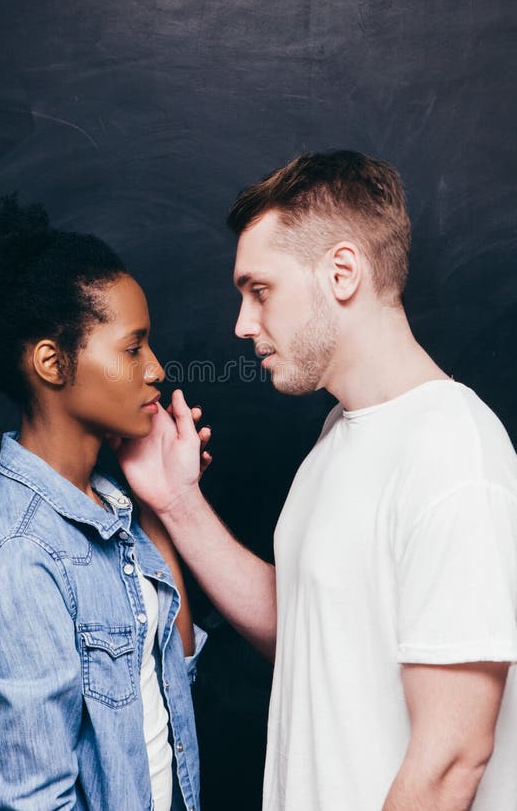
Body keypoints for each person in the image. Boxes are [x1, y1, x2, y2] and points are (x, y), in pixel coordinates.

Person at [115, 151, 517, 810]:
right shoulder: (343, 431)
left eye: (259, 290)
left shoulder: (453, 454)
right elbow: (311, 629)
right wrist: (178, 502)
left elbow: (451, 762)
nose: (243, 324)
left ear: (342, 272)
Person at [0, 196, 210, 811]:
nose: (157, 369)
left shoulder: (111, 510)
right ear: (53, 363)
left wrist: (162, 503)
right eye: (133, 348)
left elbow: (173, 681)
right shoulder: (18, 559)